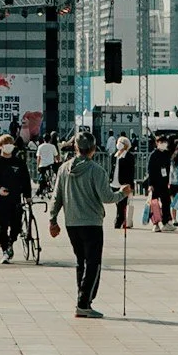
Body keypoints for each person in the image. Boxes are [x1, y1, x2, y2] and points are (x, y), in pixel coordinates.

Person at [52, 134, 113, 318]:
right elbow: (107, 197)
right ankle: (84, 302)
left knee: (81, 261)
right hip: (92, 223)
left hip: (71, 223)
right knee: (93, 263)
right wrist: (123, 193)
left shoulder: (64, 169)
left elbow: (57, 196)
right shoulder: (96, 170)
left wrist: (52, 219)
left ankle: (82, 298)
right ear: (93, 149)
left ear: (75, 148)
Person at [0, 136, 31, 262]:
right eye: (5, 144)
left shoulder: (19, 163)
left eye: (10, 143)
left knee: (16, 224)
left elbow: (26, 180)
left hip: (16, 199)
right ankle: (5, 250)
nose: (8, 146)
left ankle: (11, 241)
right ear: (0, 146)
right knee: (2, 226)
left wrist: (28, 195)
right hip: (0, 200)